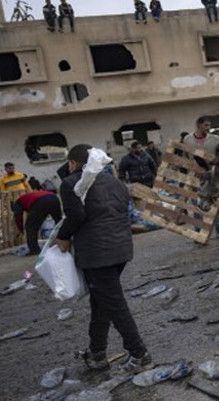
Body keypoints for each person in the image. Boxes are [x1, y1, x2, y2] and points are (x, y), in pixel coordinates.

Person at [53, 144, 152, 373]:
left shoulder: (70, 184)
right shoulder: (116, 183)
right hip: (120, 251)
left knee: (114, 304)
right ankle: (97, 353)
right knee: (101, 302)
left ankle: (140, 354)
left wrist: (63, 236)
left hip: (98, 254)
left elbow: (77, 214)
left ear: (73, 163)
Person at [184, 117, 219, 237]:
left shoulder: (215, 139)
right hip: (195, 175)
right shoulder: (187, 139)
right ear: (198, 125)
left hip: (210, 176)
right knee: (196, 204)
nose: (208, 128)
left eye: (209, 126)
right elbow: (186, 157)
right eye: (206, 125)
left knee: (213, 203)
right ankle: (198, 231)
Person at [12, 190, 62, 256]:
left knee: (30, 227)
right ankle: (64, 240)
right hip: (53, 198)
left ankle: (34, 249)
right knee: (59, 222)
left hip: (40, 201)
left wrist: (21, 229)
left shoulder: (17, 203)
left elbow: (18, 216)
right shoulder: (26, 197)